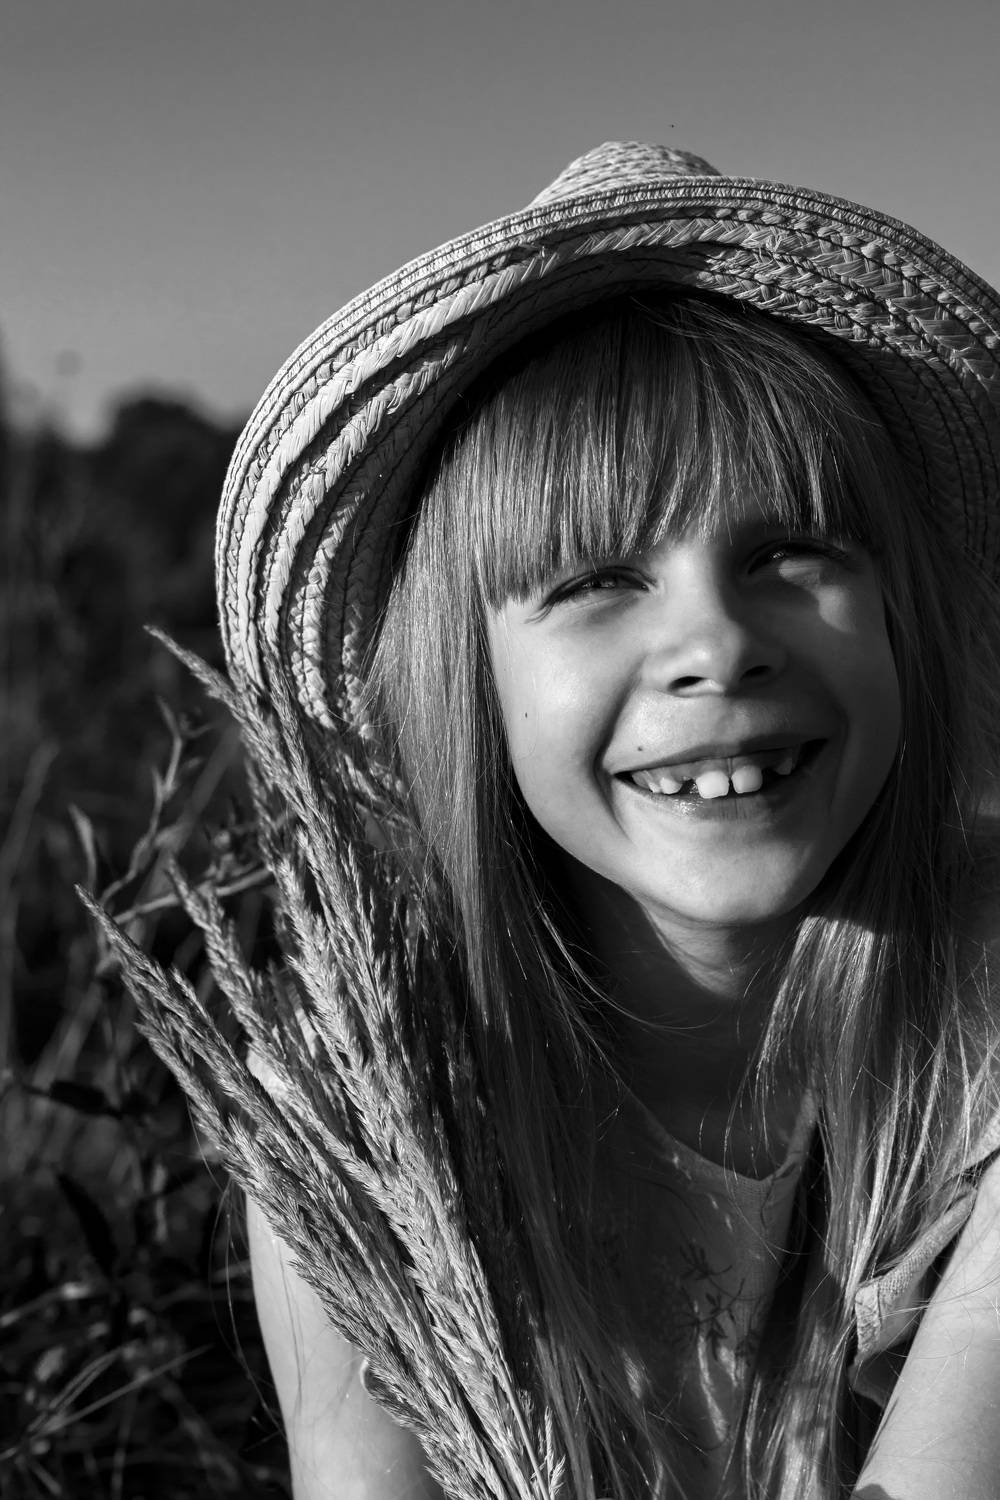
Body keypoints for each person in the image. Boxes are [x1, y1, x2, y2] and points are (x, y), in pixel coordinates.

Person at [216, 143, 1000, 1498]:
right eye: (594, 579)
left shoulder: (979, 1012)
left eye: (791, 551)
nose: (716, 644)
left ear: (901, 619)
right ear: (468, 683)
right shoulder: (376, 1104)